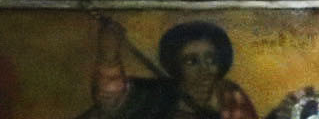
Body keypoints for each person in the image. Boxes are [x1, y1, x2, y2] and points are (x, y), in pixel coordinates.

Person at [82, 18, 258, 119]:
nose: (204, 70)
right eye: (191, 61)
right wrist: (109, 56)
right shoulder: (155, 94)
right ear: (176, 65)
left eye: (211, 60)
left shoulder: (231, 99)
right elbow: (110, 94)